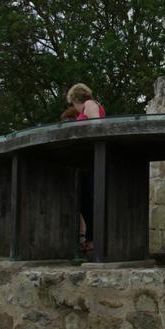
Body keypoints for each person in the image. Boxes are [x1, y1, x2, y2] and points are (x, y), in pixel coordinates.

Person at [65, 83, 105, 253]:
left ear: (74, 99)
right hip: (87, 159)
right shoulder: (86, 109)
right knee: (85, 200)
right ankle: (90, 238)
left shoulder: (89, 105)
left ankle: (94, 240)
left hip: (91, 159)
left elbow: (96, 125)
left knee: (90, 200)